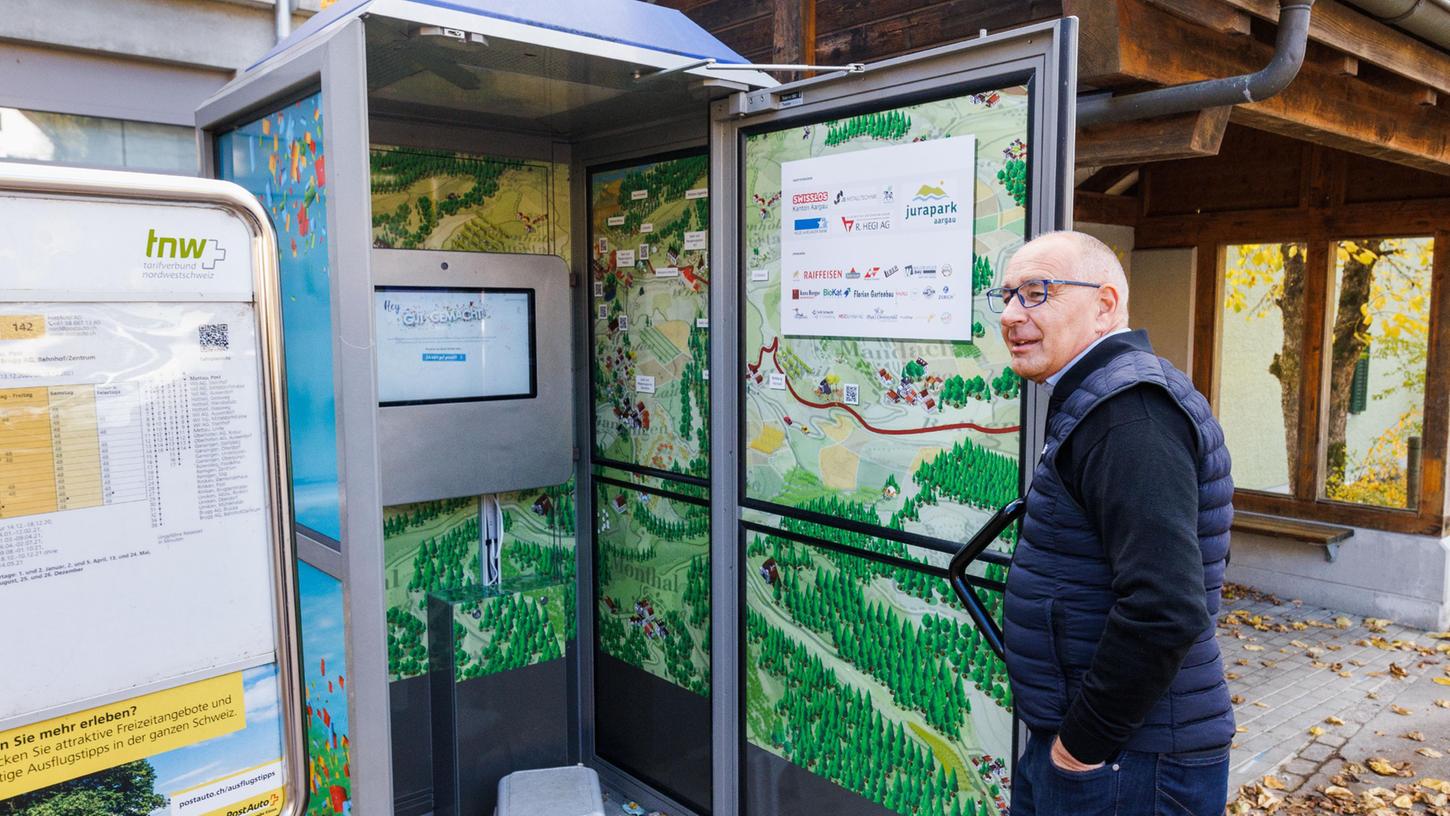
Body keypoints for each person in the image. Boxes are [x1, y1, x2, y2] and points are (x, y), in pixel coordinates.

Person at [990, 231, 1234, 815]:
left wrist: (1079, 750)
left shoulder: (1130, 413)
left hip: (1127, 760)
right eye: (1004, 296)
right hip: (1108, 747)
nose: (1008, 315)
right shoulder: (1102, 397)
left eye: (1035, 293)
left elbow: (1164, 607)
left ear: (1103, 305)